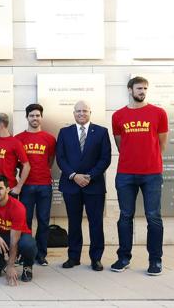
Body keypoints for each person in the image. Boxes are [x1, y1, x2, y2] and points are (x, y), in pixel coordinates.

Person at [111, 76, 168, 276]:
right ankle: (124, 257)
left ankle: (155, 260)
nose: (142, 91)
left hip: (151, 173)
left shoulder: (159, 113)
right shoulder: (118, 116)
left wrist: (149, 159)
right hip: (126, 173)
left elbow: (161, 143)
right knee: (125, 216)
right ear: (130, 89)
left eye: (145, 88)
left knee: (153, 216)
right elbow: (120, 144)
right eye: (138, 88)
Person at [56, 101, 111, 271]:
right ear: (73, 113)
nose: (81, 113)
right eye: (78, 111)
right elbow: (61, 158)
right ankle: (73, 257)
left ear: (90, 112)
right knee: (74, 222)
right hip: (71, 185)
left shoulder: (101, 132)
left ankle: (96, 258)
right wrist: (74, 176)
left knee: (96, 223)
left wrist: (89, 176)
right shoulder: (65, 132)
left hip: (93, 185)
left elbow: (105, 158)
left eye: (84, 111)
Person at [14, 104, 56, 266]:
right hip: (26, 186)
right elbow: (17, 162)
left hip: (45, 185)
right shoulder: (19, 138)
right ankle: (25, 253)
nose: (35, 118)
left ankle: (41, 254)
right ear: (26, 117)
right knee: (25, 221)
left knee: (44, 221)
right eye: (31, 115)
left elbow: (51, 160)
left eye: (37, 115)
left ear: (41, 117)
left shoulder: (49, 139)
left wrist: (44, 171)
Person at [0, 113, 30, 198]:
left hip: (8, 188)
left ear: (1, 124)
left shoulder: (15, 142)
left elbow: (26, 166)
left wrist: (19, 187)